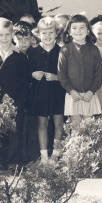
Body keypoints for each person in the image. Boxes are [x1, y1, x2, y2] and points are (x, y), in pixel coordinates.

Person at [0, 18, 31, 168]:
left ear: (12, 34)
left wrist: (20, 102)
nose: (4, 38)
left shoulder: (19, 56)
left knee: (15, 131)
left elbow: (25, 82)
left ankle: (14, 161)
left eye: (7, 35)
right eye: (0, 35)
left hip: (15, 101)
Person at [57, 14, 102, 126]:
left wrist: (91, 91)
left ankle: (90, 144)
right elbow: (62, 75)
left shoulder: (94, 50)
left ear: (88, 30)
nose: (78, 31)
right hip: (73, 95)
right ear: (69, 31)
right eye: (74, 28)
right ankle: (75, 144)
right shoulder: (65, 50)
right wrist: (71, 91)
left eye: (82, 27)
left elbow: (99, 74)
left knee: (89, 125)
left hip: (89, 95)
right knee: (75, 125)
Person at [28, 17, 65, 162]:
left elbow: (67, 74)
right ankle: (44, 156)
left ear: (56, 33)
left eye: (50, 32)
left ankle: (56, 154)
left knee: (59, 122)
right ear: (38, 34)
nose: (47, 36)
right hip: (40, 92)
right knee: (42, 123)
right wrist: (32, 73)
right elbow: (26, 71)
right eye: (44, 33)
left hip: (58, 91)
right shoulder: (33, 51)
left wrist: (57, 77)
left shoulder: (62, 51)